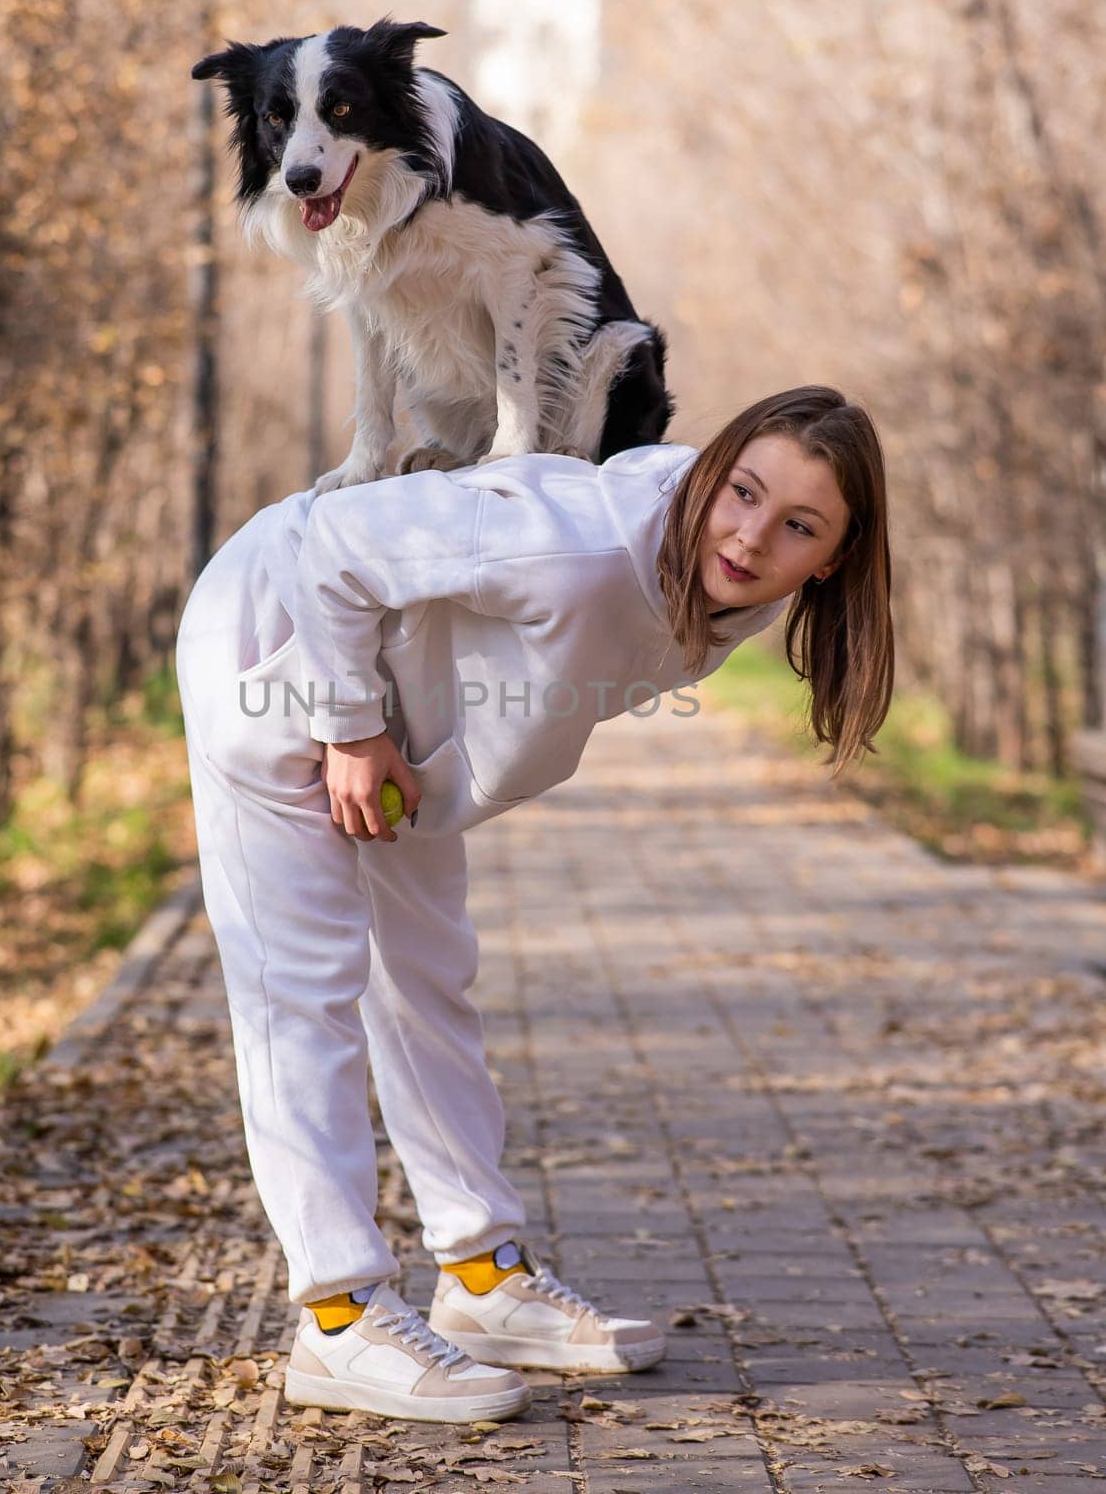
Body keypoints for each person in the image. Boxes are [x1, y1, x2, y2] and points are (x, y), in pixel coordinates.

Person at [174, 384, 894, 1424]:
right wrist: (347, 725)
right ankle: (336, 1315)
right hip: (277, 650)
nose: (747, 535)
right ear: (712, 467)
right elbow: (325, 540)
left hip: (396, 717)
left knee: (426, 980)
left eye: (796, 526)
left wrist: (386, 734)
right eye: (740, 491)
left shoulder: (734, 585)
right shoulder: (576, 545)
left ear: (830, 556)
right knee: (306, 984)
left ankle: (481, 1282)